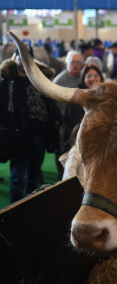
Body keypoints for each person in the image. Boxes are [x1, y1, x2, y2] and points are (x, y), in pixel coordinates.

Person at [0, 46, 61, 203]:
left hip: (38, 135)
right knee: (17, 179)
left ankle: (30, 210)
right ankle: (15, 213)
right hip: (17, 137)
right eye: (20, 57)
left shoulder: (40, 79)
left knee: (34, 177)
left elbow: (50, 105)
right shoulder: (6, 81)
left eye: (27, 58)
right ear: (14, 59)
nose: (22, 61)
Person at [61, 65, 104, 156]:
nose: (93, 79)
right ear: (83, 79)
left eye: (96, 75)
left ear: (101, 78)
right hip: (78, 147)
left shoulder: (107, 98)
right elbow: (71, 128)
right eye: (88, 76)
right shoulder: (76, 100)